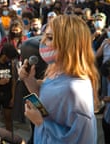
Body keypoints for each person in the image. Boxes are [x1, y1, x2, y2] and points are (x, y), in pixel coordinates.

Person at [19, 15, 100, 144]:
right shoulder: (55, 72)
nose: (43, 42)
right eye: (44, 36)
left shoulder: (75, 89)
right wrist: (30, 80)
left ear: (69, 44)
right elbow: (50, 107)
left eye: (50, 38)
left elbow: (84, 139)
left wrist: (41, 122)